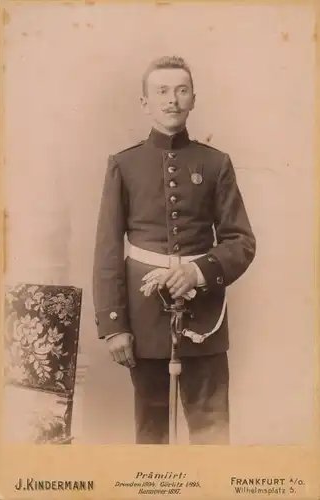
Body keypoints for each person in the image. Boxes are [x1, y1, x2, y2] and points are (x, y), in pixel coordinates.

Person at [92, 55, 256, 445]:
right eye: (162, 91)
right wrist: (114, 325)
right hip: (143, 317)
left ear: (194, 99)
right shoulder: (124, 165)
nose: (172, 100)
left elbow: (241, 241)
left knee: (211, 431)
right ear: (145, 102)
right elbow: (108, 250)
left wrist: (198, 271)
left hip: (205, 316)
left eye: (181, 91)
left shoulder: (216, 164)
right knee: (151, 434)